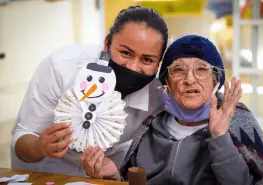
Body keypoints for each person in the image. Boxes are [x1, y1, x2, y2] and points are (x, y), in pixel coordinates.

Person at [11, 5, 168, 180]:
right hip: (45, 173)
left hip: (104, 178)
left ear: (158, 63)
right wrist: (39, 147)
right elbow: (23, 135)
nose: (132, 67)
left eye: (147, 59)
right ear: (107, 43)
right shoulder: (61, 67)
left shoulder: (157, 96)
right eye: (125, 53)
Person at [117, 35, 263, 185]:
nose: (189, 79)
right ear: (166, 82)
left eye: (202, 69)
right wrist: (114, 177)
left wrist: (220, 137)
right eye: (178, 70)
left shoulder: (238, 120)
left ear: (215, 80)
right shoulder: (150, 124)